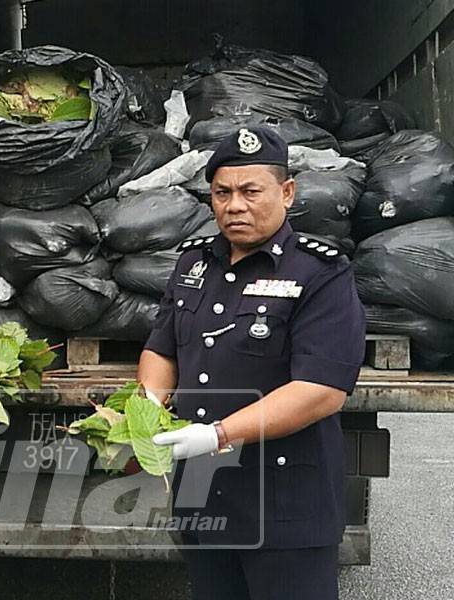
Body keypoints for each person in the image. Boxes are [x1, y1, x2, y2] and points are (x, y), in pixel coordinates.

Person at [138, 126, 365, 600]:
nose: (234, 205)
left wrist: (218, 434)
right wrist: (148, 411)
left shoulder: (319, 273)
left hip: (283, 505)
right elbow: (162, 349)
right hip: (203, 496)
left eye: (249, 191)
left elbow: (322, 389)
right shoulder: (192, 265)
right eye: (222, 193)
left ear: (286, 192)